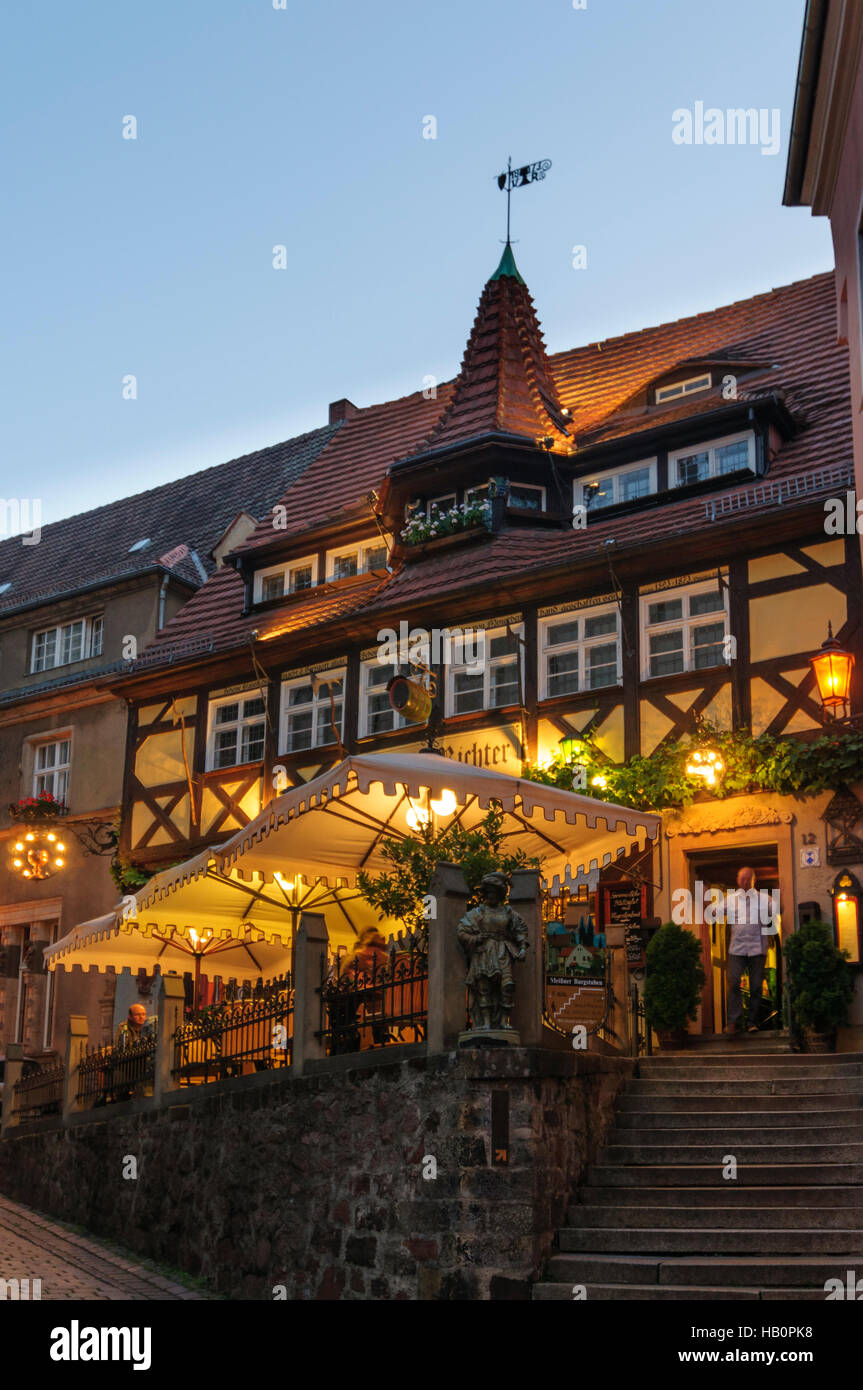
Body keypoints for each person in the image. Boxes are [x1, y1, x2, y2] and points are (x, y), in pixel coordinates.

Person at [328, 927, 391, 1051]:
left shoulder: (382, 960)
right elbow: (354, 982)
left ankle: (379, 1043)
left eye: (382, 947)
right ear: (367, 945)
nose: (380, 950)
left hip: (372, 1003)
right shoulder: (356, 959)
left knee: (377, 1012)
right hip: (349, 1005)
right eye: (376, 946)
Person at [724, 866, 767, 1035]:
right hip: (737, 950)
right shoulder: (729, 900)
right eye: (742, 878)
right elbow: (713, 912)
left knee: (756, 987)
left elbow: (778, 911)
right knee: (734, 983)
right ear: (737, 880)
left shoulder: (765, 899)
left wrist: (783, 894)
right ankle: (733, 1022)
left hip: (758, 950)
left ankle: (752, 1022)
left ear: (753, 880)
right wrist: (703, 900)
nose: (744, 881)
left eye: (748, 878)